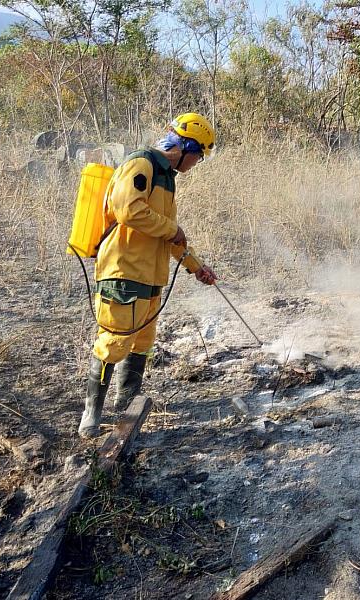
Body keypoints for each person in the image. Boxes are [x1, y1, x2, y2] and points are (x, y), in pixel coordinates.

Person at [78, 112, 218, 438]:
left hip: (150, 278)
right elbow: (128, 209)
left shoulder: (167, 178)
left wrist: (196, 267)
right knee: (113, 343)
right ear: (185, 147)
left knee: (141, 343)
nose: (197, 163)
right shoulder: (142, 165)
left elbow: (167, 235)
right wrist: (172, 228)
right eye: (198, 156)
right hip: (123, 273)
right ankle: (91, 416)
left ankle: (126, 407)